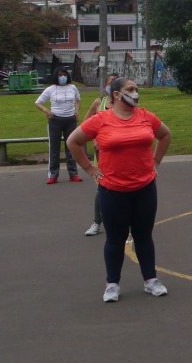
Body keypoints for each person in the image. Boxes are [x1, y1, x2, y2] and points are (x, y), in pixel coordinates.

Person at [67, 78, 174, 303]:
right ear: (116, 95)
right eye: (131, 89)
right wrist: (89, 168)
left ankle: (151, 280)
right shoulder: (101, 120)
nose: (136, 93)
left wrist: (156, 161)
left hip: (144, 187)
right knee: (115, 239)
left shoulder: (146, 116)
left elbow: (165, 135)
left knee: (144, 236)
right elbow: (73, 141)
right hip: (113, 190)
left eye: (136, 89)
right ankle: (112, 284)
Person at [81, 70, 119, 235]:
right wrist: (95, 138)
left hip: (121, 152)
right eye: (110, 83)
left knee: (125, 189)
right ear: (106, 86)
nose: (113, 86)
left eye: (116, 83)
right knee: (102, 188)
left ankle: (127, 223)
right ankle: (97, 222)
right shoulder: (99, 103)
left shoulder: (126, 104)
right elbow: (85, 126)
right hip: (102, 153)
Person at [34, 66, 82, 185]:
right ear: (56, 76)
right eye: (60, 75)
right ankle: (53, 175)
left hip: (70, 120)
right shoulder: (51, 89)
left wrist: (77, 111)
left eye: (64, 75)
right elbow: (38, 102)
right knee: (54, 149)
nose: (62, 77)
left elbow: (78, 100)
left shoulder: (73, 87)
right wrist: (47, 111)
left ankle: (73, 174)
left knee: (71, 147)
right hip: (55, 120)